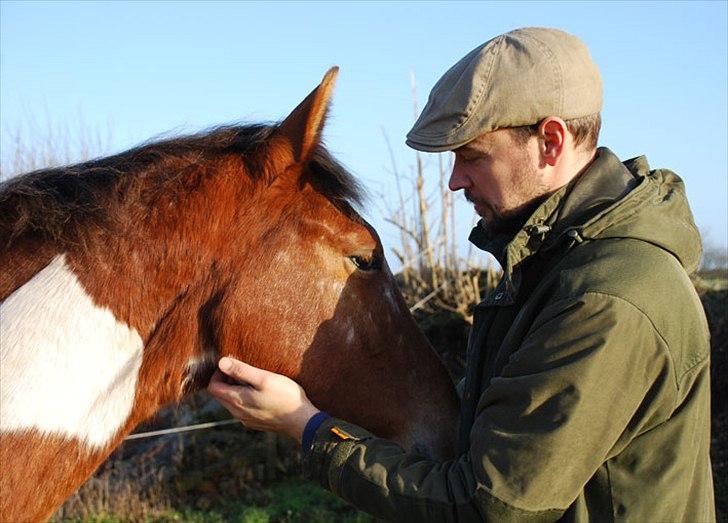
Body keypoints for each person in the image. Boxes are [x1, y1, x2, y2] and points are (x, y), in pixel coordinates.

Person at [208, 27, 715, 521]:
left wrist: (306, 426)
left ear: (551, 142)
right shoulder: (552, 266)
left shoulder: (607, 299)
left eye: (471, 157)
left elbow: (485, 504)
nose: (454, 181)